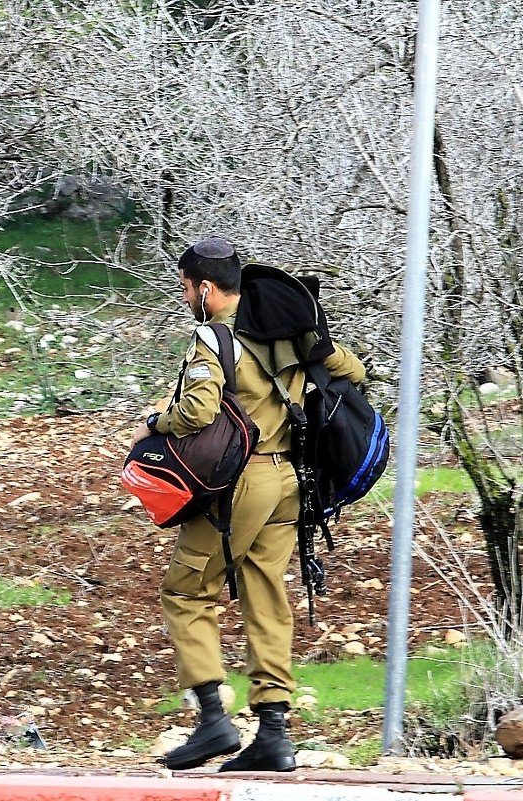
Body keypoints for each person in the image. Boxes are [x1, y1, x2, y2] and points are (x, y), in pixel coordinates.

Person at [130, 237, 366, 772]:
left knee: (187, 590)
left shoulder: (215, 338)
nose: (186, 296)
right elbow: (352, 372)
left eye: (187, 288)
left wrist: (154, 424)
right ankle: (274, 732)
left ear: (206, 289)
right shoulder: (288, 330)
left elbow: (195, 412)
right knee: (265, 593)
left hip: (242, 484)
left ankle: (213, 719)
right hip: (290, 482)